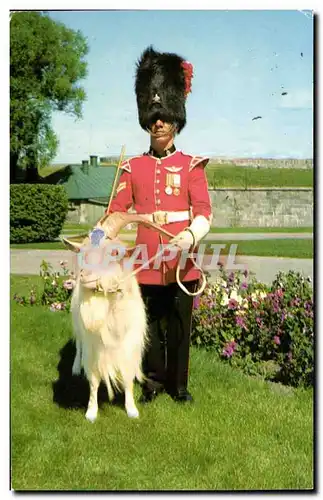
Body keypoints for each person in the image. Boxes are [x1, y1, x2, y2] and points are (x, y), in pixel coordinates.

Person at [105, 46, 212, 403]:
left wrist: (190, 236)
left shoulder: (192, 166)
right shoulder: (132, 167)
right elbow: (117, 212)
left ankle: (178, 387)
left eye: (164, 116)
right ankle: (151, 382)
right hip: (147, 263)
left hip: (183, 262)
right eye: (153, 117)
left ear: (175, 119)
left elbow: (204, 213)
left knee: (180, 328)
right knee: (148, 327)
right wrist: (101, 233)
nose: (158, 122)